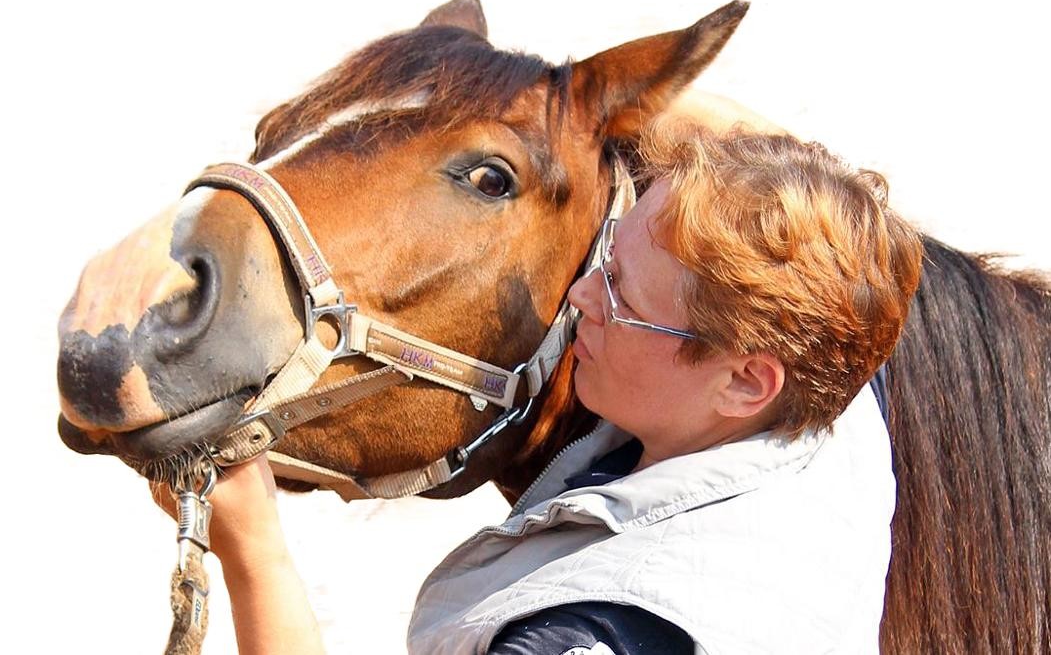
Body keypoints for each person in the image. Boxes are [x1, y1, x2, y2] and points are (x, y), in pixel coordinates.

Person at [153, 98, 923, 654]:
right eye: (608, 258)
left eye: (624, 296)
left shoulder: (587, 636)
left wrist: (254, 553)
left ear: (744, 381)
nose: (582, 297)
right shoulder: (830, 416)